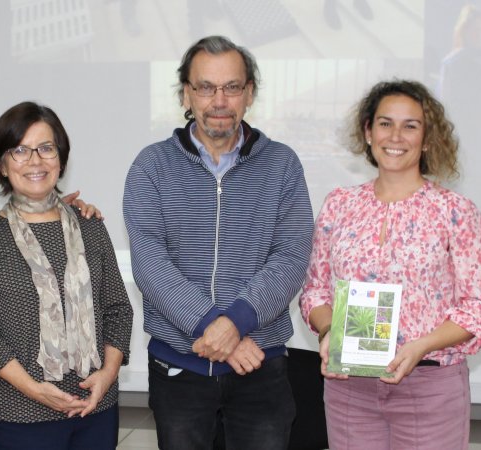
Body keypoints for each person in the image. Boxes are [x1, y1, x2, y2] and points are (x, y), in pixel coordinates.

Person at [123, 35, 314, 449]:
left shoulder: (282, 165)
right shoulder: (151, 166)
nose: (219, 100)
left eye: (231, 87)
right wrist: (218, 329)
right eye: (206, 87)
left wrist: (237, 323)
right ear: (186, 95)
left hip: (260, 365)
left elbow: (291, 256)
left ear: (249, 94)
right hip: (180, 367)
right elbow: (150, 264)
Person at [300, 79, 481, 449]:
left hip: (429, 386)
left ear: (427, 139)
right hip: (350, 388)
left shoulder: (455, 212)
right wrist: (330, 331)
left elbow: (480, 308)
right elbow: (314, 290)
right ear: (368, 131)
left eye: (411, 125)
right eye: (385, 123)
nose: (396, 135)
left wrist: (420, 346)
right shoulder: (339, 205)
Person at [0, 101, 133, 450]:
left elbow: (119, 310)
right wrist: (36, 390)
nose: (35, 160)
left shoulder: (90, 227)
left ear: (60, 159)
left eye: (46, 148)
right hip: (18, 413)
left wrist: (106, 377)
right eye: (20, 150)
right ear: (1, 164)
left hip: (95, 407)